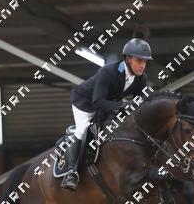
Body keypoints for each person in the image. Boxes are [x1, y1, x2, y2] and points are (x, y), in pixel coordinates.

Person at [61, 38, 152, 191]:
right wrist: (122, 105)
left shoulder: (141, 78)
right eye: (139, 61)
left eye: (145, 61)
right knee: (83, 129)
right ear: (128, 59)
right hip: (85, 102)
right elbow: (97, 102)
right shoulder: (108, 71)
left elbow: (139, 105)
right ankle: (72, 173)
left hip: (108, 104)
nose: (142, 65)